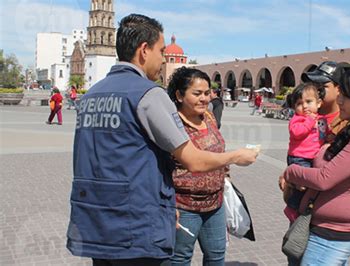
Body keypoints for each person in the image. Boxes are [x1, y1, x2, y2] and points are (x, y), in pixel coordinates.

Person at [66, 14, 258, 266]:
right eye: (161, 51)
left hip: (95, 220)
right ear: (144, 50)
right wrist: (236, 156)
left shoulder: (92, 94)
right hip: (134, 225)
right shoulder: (147, 94)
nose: (164, 59)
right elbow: (193, 161)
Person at [279, 68, 350, 265]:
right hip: (325, 228)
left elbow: (324, 178)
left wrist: (290, 172)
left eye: (346, 96)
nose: (340, 101)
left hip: (333, 234)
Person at [166, 67, 228, 265]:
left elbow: (218, 151)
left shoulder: (208, 118)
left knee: (217, 256)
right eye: (197, 93)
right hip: (184, 207)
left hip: (215, 204)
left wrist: (225, 174)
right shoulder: (171, 125)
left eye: (207, 93)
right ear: (179, 95)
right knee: (181, 259)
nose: (204, 98)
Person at [283, 82, 323, 225]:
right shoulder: (297, 119)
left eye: (309, 101)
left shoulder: (320, 119)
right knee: (301, 187)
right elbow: (297, 132)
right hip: (298, 158)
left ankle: (303, 209)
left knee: (308, 188)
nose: (305, 106)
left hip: (312, 158)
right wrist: (310, 121)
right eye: (300, 103)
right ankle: (292, 208)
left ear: (318, 103)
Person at [301, 61, 349, 142]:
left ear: (338, 89)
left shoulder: (346, 122)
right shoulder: (305, 114)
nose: (316, 91)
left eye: (323, 86)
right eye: (313, 85)